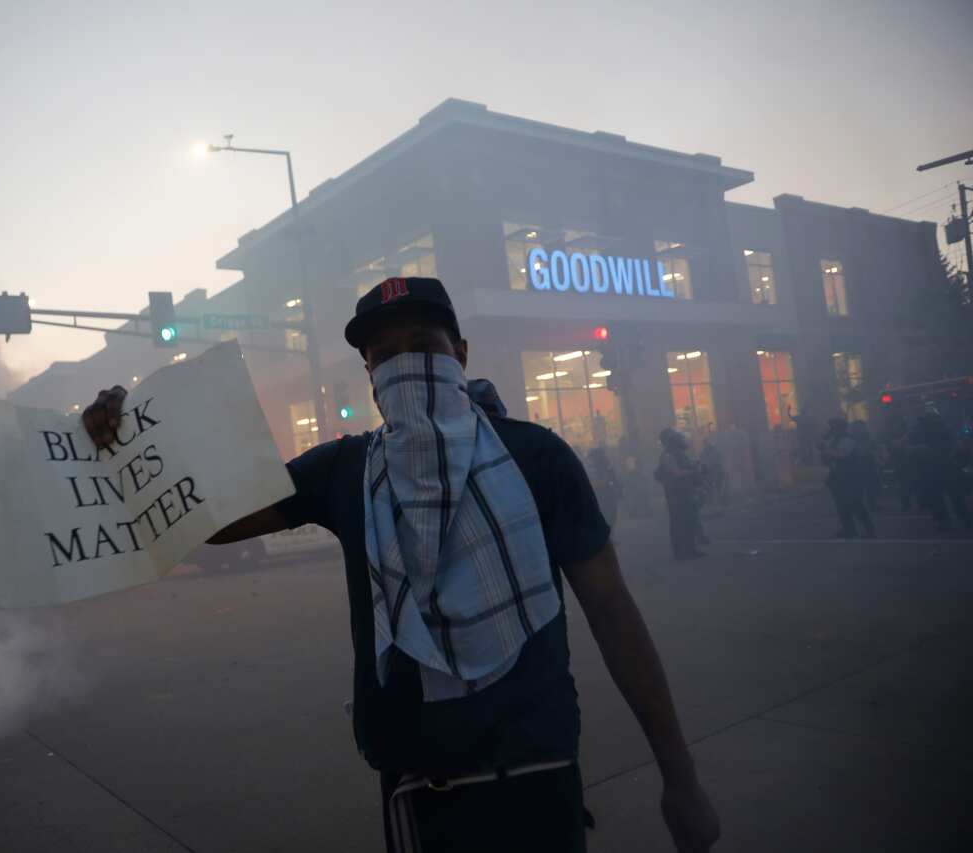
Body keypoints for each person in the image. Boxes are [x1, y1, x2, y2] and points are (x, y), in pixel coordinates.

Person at [83, 276, 719, 853]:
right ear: (369, 374)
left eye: (422, 344)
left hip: (538, 776)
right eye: (385, 357)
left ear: (460, 353)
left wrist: (680, 777)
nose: (405, 364)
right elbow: (212, 522)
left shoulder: (537, 458)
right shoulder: (346, 468)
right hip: (417, 790)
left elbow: (614, 615)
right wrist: (126, 443)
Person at [818, 418, 875, 538]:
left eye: (833, 427)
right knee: (841, 506)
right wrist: (823, 449)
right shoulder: (833, 440)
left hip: (851, 477)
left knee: (855, 504)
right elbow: (826, 456)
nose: (831, 429)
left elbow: (841, 454)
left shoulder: (848, 440)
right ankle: (849, 529)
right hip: (837, 477)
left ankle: (869, 529)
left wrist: (826, 450)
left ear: (839, 428)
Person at [655, 428, 706, 560]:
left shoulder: (678, 453)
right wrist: (692, 472)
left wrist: (694, 468)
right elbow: (675, 473)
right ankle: (681, 553)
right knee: (679, 523)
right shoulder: (668, 455)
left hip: (684, 492)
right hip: (676, 494)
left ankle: (690, 549)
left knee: (689, 521)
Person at [585, 446, 623, 531]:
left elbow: (613, 480)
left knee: (608, 516)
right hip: (600, 495)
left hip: (606, 494)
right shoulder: (591, 468)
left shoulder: (607, 467)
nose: (592, 459)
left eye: (594, 457)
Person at [848, 421, 881, 511]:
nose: (861, 429)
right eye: (859, 427)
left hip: (868, 464)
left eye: (862, 427)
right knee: (859, 487)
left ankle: (871, 504)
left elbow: (874, 449)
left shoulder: (867, 437)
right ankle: (860, 505)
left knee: (870, 486)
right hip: (857, 466)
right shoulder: (851, 438)